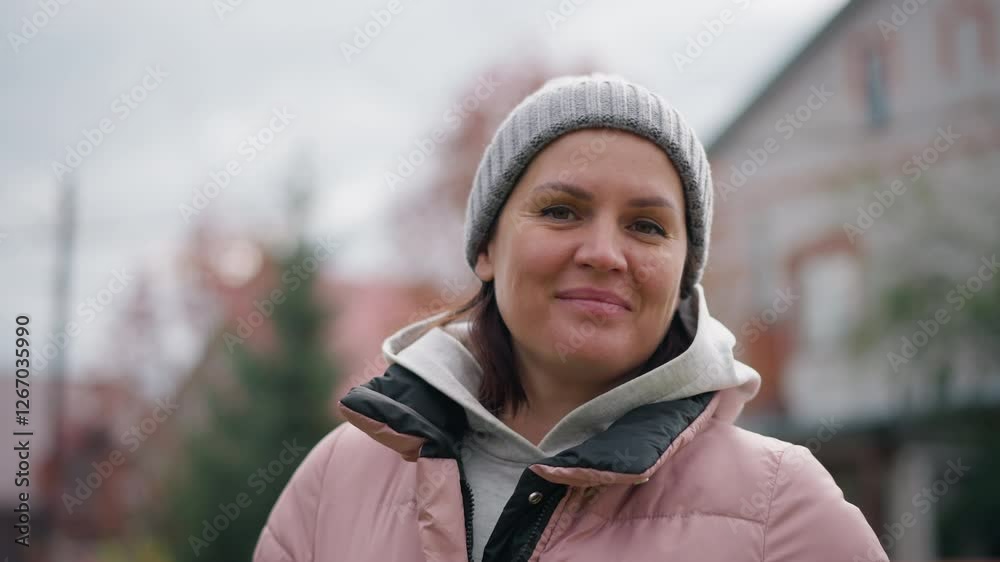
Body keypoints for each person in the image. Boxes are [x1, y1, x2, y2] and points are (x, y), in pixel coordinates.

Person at [254, 74, 889, 562]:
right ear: (485, 249)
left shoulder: (782, 509)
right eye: (560, 211)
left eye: (646, 225)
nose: (604, 254)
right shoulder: (336, 479)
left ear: (682, 274)